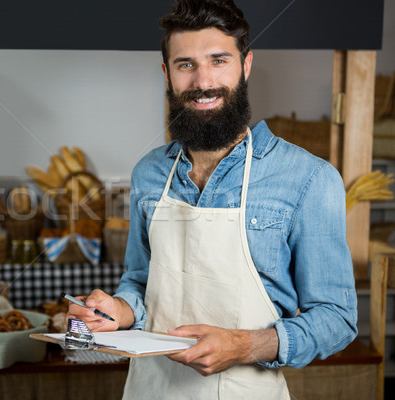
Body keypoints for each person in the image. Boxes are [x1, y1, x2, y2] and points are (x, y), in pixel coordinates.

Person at [66, 0, 358, 398]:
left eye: (219, 60)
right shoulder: (148, 173)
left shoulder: (309, 179)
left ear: (246, 64)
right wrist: (119, 311)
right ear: (167, 73)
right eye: (186, 64)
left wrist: (246, 346)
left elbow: (337, 319)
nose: (203, 81)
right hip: (150, 390)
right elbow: (140, 282)